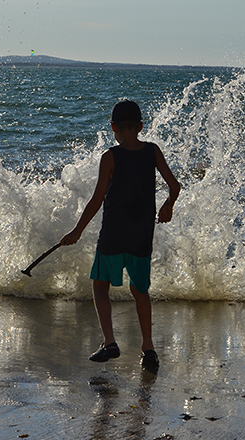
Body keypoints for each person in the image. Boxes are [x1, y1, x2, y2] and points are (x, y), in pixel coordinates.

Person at [60, 100, 180, 374]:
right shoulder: (152, 151)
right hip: (141, 235)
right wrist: (168, 205)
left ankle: (110, 342)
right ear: (140, 126)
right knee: (140, 290)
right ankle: (148, 348)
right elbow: (174, 186)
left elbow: (97, 200)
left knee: (100, 286)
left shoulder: (110, 157)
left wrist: (76, 231)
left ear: (113, 128)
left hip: (113, 234)